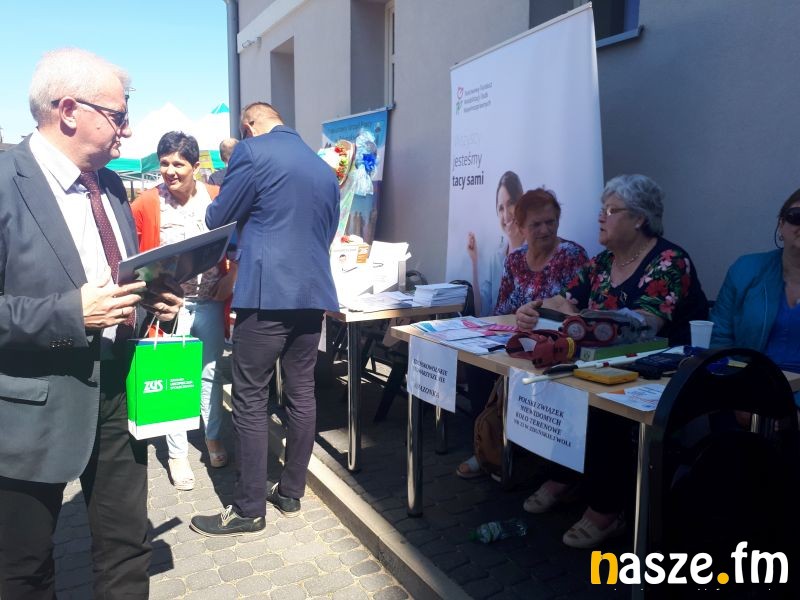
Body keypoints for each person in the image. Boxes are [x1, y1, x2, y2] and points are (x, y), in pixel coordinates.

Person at [0, 48, 180, 598]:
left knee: (128, 549)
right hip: (31, 410)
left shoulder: (112, 186)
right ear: (69, 111)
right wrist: (70, 314)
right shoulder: (6, 181)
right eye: (119, 115)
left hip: (118, 392)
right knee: (24, 569)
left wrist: (152, 301)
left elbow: (117, 285)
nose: (128, 129)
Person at [516, 174, 708, 549]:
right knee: (552, 378)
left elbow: (646, 325)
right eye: (601, 210)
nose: (600, 217)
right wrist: (534, 309)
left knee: (602, 403)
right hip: (606, 361)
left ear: (639, 218)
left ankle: (608, 508)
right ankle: (565, 476)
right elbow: (562, 300)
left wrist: (577, 315)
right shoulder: (602, 262)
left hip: (660, 371)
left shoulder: (669, 261)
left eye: (610, 210)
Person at [190, 102, 339, 536]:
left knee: (251, 396)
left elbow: (218, 216)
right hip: (312, 294)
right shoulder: (323, 167)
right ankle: (291, 492)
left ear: (248, 126)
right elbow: (326, 231)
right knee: (302, 390)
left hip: (265, 295)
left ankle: (249, 508)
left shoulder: (251, 152)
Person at [457, 188, 588, 478]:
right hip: (515, 339)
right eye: (536, 224)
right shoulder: (515, 259)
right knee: (477, 365)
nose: (545, 230)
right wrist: (517, 318)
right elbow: (502, 308)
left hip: (552, 347)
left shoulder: (571, 256)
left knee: (518, 373)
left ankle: (517, 453)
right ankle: (487, 445)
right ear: (520, 227)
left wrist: (537, 315)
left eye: (551, 222)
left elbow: (573, 311)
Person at [131, 131, 236, 490]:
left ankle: (213, 437)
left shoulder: (216, 197)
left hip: (209, 302)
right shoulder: (147, 203)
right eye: (164, 163)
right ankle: (177, 454)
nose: (170, 171)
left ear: (195, 165)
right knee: (174, 378)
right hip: (168, 308)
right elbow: (130, 256)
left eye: (178, 163)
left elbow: (241, 239)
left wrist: (232, 276)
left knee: (210, 374)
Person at [711, 188, 800, 409]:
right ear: (781, 224)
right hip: (747, 389)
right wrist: (738, 394)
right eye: (796, 216)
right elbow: (719, 340)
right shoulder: (746, 270)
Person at [467, 171, 526, 317]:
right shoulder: (496, 259)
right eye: (500, 208)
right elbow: (481, 312)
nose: (506, 215)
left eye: (511, 203)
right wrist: (474, 262)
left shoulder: (535, 253)